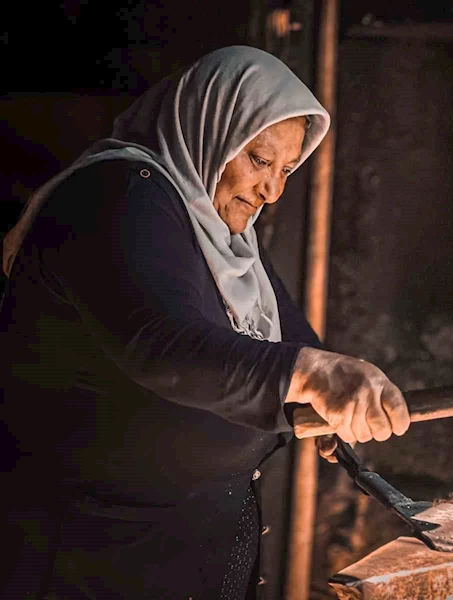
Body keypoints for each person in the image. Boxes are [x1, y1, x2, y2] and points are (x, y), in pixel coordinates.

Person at [0, 46, 410, 600]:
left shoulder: (220, 233)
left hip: (188, 549)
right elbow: (163, 344)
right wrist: (310, 372)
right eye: (260, 160)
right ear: (208, 125)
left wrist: (335, 392)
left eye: (287, 169)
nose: (273, 190)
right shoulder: (118, 198)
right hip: (86, 554)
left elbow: (290, 341)